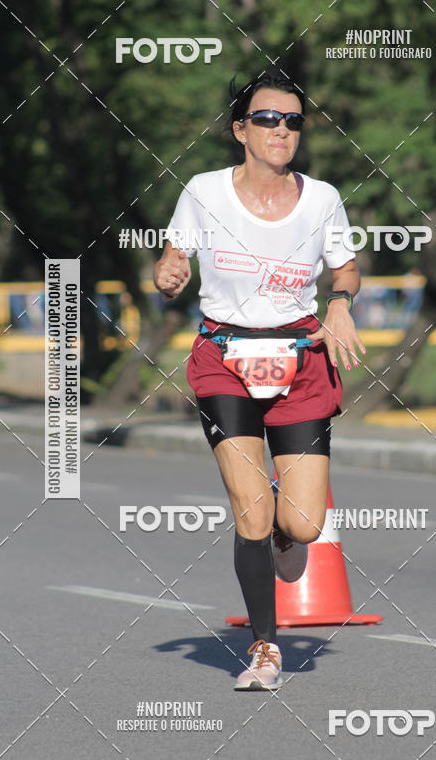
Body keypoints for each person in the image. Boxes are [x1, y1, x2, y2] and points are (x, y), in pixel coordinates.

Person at [154, 71, 365, 690]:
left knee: (299, 525)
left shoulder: (322, 199)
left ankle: (280, 527)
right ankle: (265, 649)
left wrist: (341, 303)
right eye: (268, 119)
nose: (282, 130)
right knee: (251, 510)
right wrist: (169, 270)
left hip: (300, 362)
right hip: (225, 359)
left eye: (294, 120)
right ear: (240, 128)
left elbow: (345, 266)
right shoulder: (203, 191)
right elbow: (175, 256)